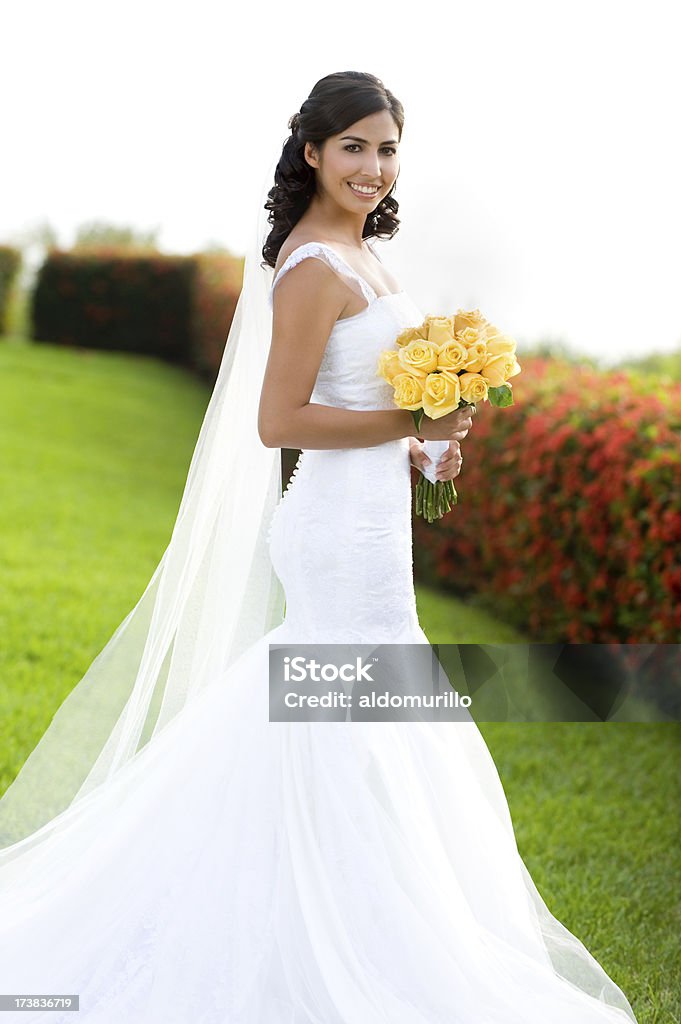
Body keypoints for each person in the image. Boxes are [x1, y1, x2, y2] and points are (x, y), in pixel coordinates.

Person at [0, 71, 638, 1022]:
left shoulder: (374, 261)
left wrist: (430, 446)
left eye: (386, 151)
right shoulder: (309, 270)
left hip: (376, 521)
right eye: (354, 148)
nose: (373, 169)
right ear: (310, 152)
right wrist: (399, 419)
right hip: (334, 536)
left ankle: (359, 910)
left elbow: (369, 407)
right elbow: (279, 421)